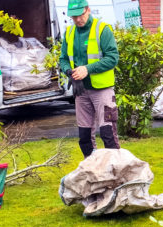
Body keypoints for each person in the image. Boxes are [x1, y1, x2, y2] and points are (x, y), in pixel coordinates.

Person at [59, 0, 120, 158]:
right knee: (84, 137)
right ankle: (93, 170)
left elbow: (113, 58)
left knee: (108, 134)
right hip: (81, 90)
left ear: (88, 10)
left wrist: (87, 69)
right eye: (74, 17)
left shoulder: (102, 29)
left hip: (102, 90)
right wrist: (69, 71)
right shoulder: (69, 33)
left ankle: (116, 171)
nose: (78, 19)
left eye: (80, 15)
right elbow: (63, 59)